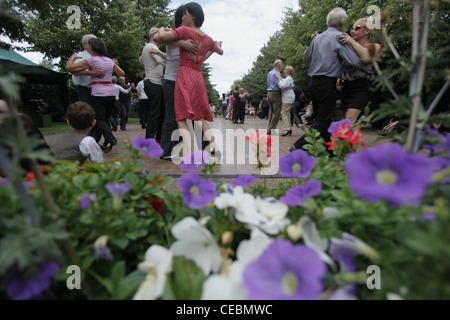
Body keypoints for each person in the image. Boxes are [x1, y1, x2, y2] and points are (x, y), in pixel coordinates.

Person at [289, 7, 370, 154]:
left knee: (322, 120)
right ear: (342, 23)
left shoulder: (317, 38)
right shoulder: (339, 38)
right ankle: (299, 145)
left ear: (328, 21)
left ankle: (328, 152)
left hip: (313, 83)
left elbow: (305, 60)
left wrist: (314, 43)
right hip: (327, 83)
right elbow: (355, 61)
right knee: (324, 121)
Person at [157, 2, 224, 158]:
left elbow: (160, 37)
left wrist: (161, 29)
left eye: (185, 14)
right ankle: (214, 147)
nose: (183, 16)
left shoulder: (185, 30)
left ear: (192, 16)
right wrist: (215, 45)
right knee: (199, 117)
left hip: (184, 75)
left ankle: (192, 154)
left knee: (180, 118)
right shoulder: (207, 38)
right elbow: (219, 51)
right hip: (198, 77)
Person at [66, 38, 125, 153]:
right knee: (104, 119)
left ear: (93, 48)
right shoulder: (109, 61)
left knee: (98, 119)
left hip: (98, 94)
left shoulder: (92, 60)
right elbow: (121, 73)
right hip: (111, 94)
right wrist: (111, 67)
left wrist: (72, 57)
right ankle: (101, 141)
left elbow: (70, 68)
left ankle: (111, 139)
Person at [339, 17, 382, 123]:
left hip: (363, 86)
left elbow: (367, 57)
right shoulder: (348, 48)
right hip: (347, 86)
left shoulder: (375, 46)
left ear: (367, 31)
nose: (353, 31)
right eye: (352, 29)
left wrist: (352, 42)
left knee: (349, 120)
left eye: (357, 28)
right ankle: (351, 139)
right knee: (345, 122)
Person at [140, 27, 167, 142]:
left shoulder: (146, 47)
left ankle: (157, 139)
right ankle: (150, 140)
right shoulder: (152, 47)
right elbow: (163, 61)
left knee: (159, 112)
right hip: (154, 82)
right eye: (159, 34)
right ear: (154, 35)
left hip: (151, 82)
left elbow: (140, 60)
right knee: (155, 113)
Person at [276, 65, 295, 136]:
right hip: (290, 97)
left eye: (285, 69)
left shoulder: (288, 79)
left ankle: (286, 129)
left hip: (287, 98)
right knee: (287, 113)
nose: (283, 70)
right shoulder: (289, 78)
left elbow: (281, 86)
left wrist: (279, 79)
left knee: (283, 113)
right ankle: (289, 128)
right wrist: (281, 78)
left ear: (288, 71)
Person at [267, 59, 284, 135]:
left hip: (269, 93)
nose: (282, 66)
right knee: (277, 112)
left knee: (271, 112)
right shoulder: (276, 74)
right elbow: (280, 85)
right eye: (282, 64)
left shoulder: (270, 72)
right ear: (279, 65)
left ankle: (269, 129)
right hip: (275, 93)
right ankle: (271, 129)